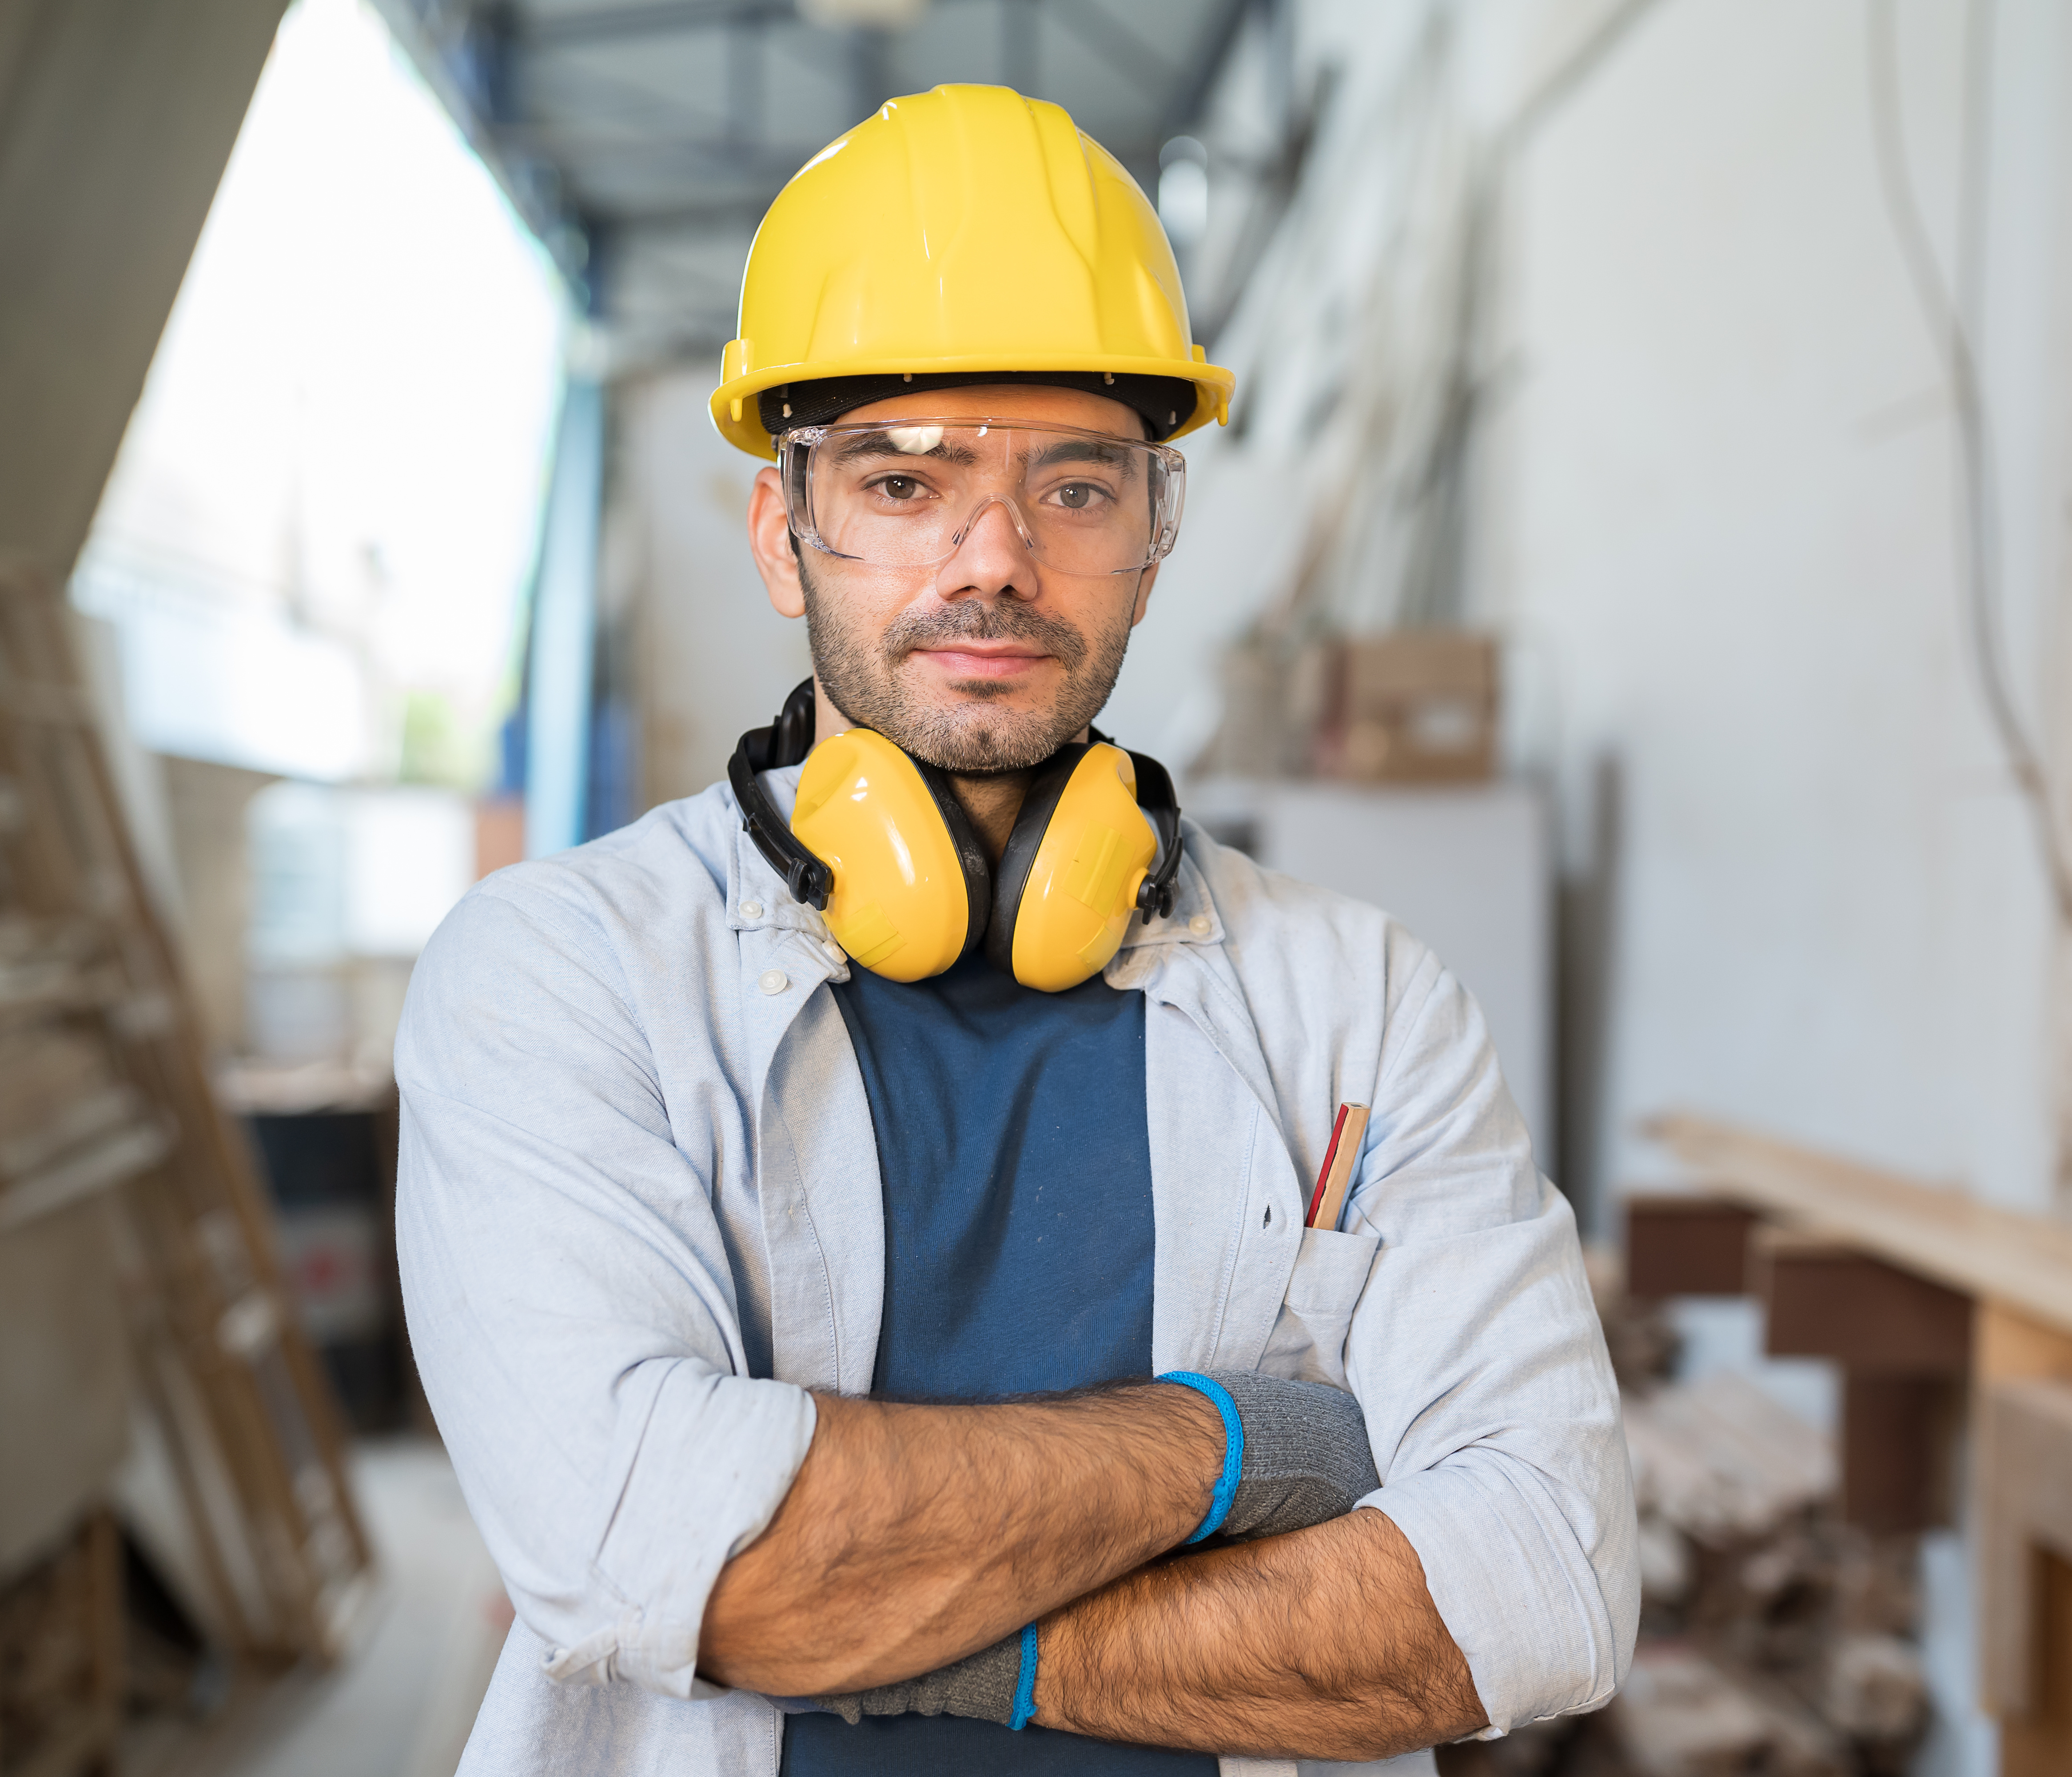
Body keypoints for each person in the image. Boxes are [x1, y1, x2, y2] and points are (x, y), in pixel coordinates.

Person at [397, 84, 1634, 1777]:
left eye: (1075, 488)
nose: (996, 561)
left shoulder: (1361, 997)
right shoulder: (562, 971)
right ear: (786, 532)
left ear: (1152, 537)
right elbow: (670, 1556)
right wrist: (1239, 1445)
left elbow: (1543, 1591)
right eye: (907, 483)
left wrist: (897, 1640)